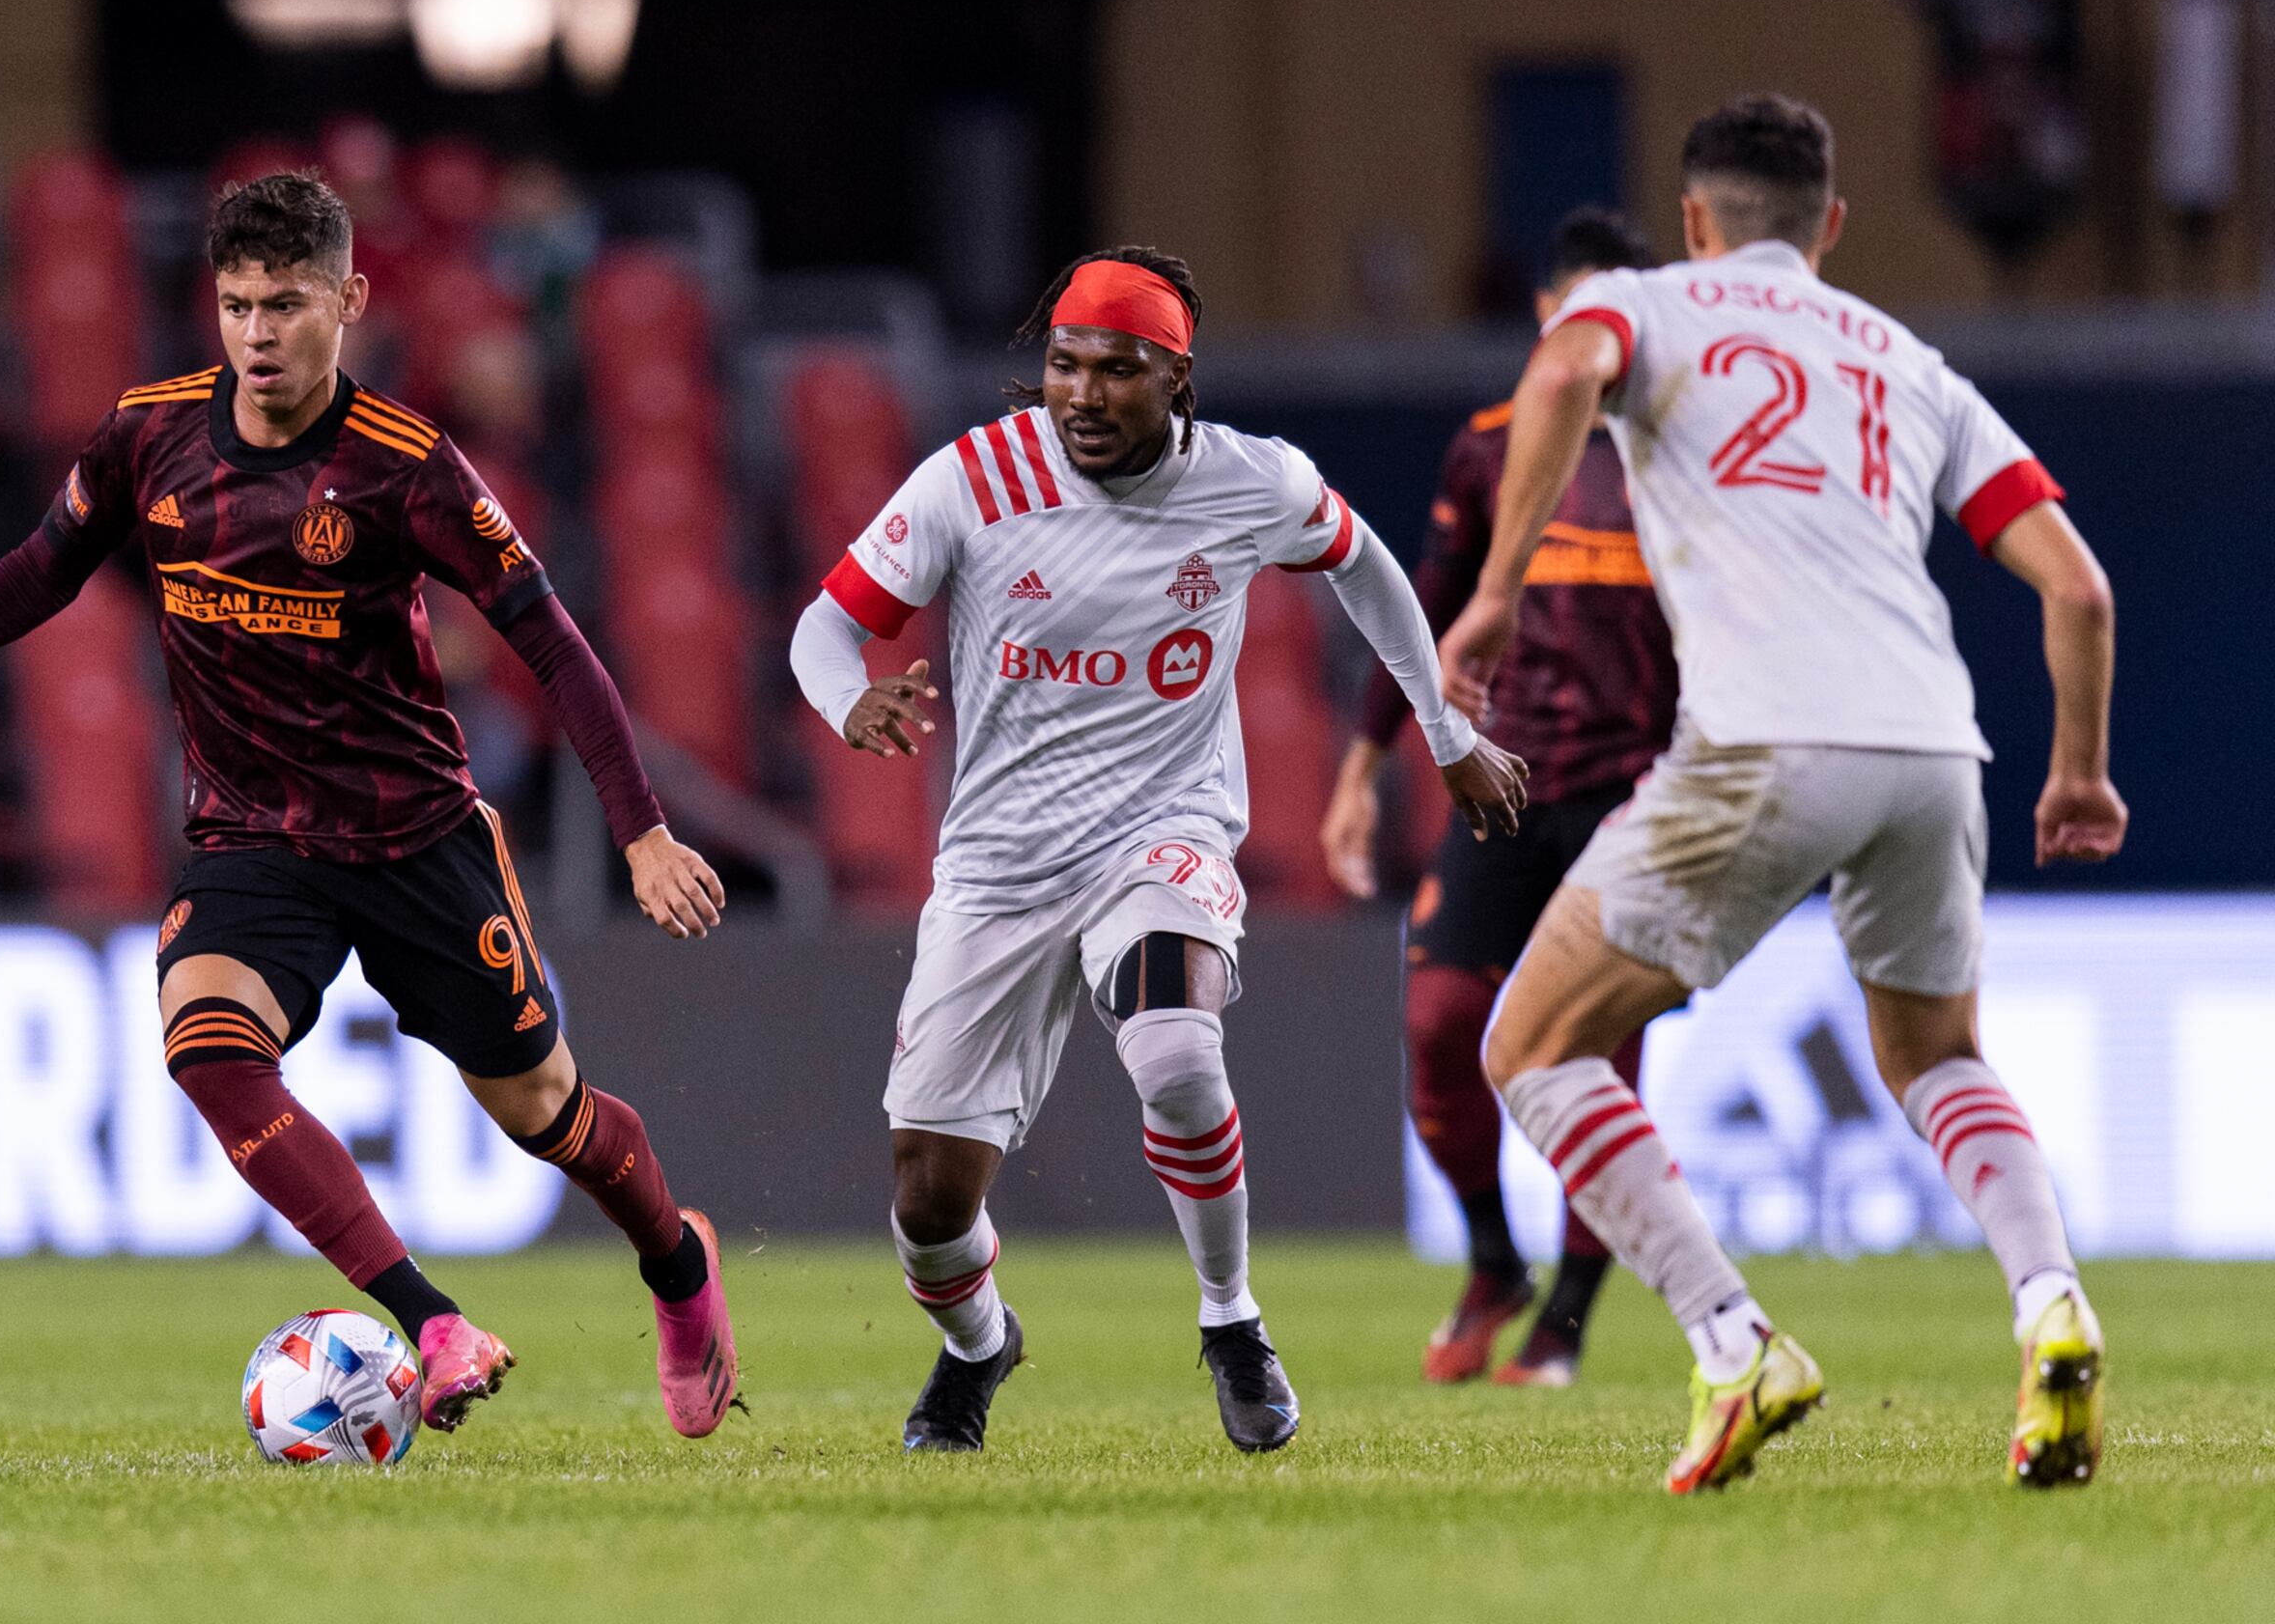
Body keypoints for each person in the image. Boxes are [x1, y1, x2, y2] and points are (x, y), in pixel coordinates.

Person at [0, 172, 743, 1441]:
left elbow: (554, 645)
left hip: (414, 838)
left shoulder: (406, 468)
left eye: (286, 304)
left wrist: (639, 829)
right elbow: (39, 573)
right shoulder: (150, 435)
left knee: (545, 1117)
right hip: (251, 838)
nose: (256, 331)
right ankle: (432, 1320)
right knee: (205, 1044)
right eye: (237, 303)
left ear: (347, 301)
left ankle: (679, 1268)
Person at [1444, 94, 2125, 1494]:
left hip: (1766, 741)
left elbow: (1568, 369)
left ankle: (1731, 1339)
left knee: (1531, 1046)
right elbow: (2079, 586)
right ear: (1831, 226)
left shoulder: (1650, 304)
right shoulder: (1910, 362)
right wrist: (2078, 771)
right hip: (1936, 749)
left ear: (1695, 222)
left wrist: (1498, 590)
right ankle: (2052, 1300)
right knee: (1939, 1055)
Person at [789, 246, 1529, 1455]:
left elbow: (1369, 570)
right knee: (927, 1206)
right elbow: (826, 624)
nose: (1081, 392)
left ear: (1174, 380)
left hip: (1161, 831)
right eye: (1064, 364)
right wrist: (849, 701)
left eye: (1116, 370)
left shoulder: (1251, 483)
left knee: (1178, 1052)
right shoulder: (971, 479)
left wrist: (1441, 734)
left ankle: (1232, 1321)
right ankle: (980, 1345)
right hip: (997, 866)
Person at [1318, 206, 1677, 1388]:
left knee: (1598, 1056)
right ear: (1546, 317)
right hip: (1507, 790)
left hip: (1635, 799)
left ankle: (1567, 1320)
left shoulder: (1690, 457)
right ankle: (1491, 1260)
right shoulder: (1491, 446)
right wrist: (1363, 771)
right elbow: (1419, 614)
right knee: (1437, 1030)